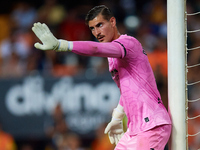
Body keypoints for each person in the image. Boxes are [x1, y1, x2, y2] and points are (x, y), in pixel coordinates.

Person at [32, 5, 172, 150]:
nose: (97, 32)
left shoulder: (128, 43)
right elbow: (128, 89)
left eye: (100, 25)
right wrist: (117, 116)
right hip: (134, 129)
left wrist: (61, 45)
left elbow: (95, 48)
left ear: (112, 22)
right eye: (92, 28)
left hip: (152, 125)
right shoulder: (111, 58)